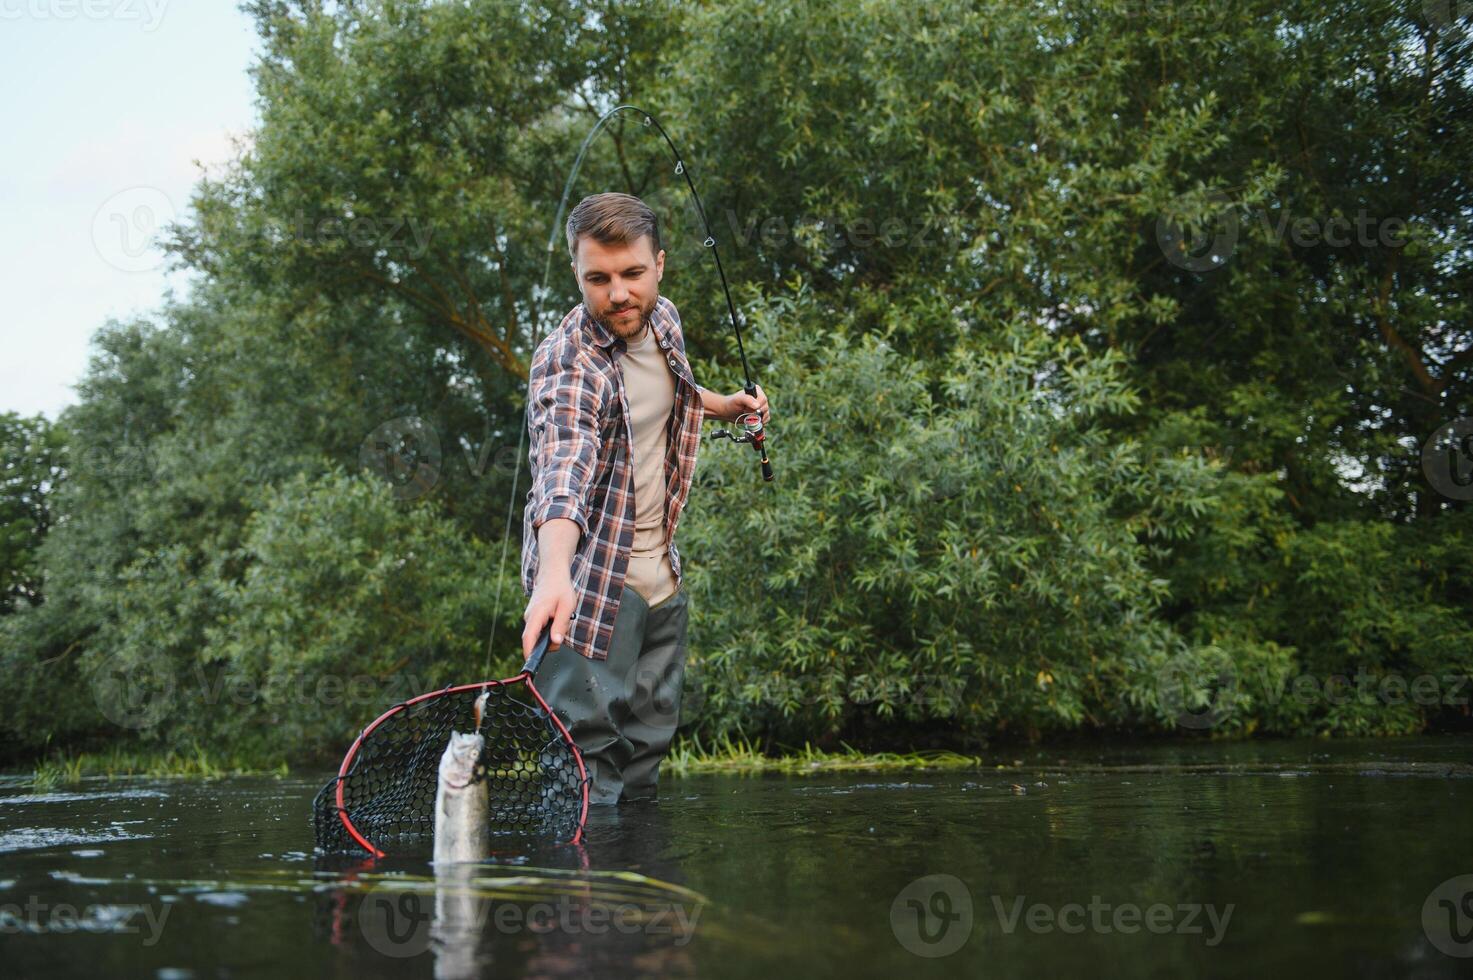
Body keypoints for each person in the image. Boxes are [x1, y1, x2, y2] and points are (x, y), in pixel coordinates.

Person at [520, 192, 770, 805]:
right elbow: (563, 468)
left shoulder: (662, 321)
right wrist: (554, 575)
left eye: (632, 273)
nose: (618, 294)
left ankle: (635, 898)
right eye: (597, 279)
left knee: (644, 762)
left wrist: (723, 405)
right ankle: (579, 897)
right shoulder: (568, 364)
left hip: (662, 582)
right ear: (576, 274)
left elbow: (665, 390)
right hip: (588, 590)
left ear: (659, 264)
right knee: (585, 773)